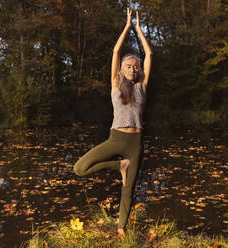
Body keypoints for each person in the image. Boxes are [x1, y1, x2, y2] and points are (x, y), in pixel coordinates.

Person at [73, 8, 152, 238]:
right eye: (128, 65)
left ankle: (121, 228)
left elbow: (149, 55)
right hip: (115, 139)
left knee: (129, 189)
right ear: (121, 69)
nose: (132, 68)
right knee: (79, 168)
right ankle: (120, 166)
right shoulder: (115, 86)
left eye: (135, 66)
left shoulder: (141, 88)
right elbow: (116, 50)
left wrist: (139, 28)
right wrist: (127, 25)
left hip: (135, 144)